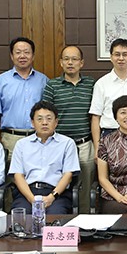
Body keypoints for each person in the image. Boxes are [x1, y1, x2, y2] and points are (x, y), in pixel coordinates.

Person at [42, 45, 95, 212]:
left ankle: (85, 219)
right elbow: (46, 114)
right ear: (61, 62)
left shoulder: (91, 84)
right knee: (60, 183)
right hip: (59, 145)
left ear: (81, 63)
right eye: (66, 59)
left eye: (74, 59)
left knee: (86, 185)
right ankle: (62, 217)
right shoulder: (52, 85)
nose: (70, 62)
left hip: (84, 143)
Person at [9, 101, 80, 214]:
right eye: (40, 119)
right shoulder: (21, 144)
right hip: (27, 193)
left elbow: (68, 176)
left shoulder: (67, 143)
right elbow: (18, 176)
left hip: (56, 194)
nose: (44, 123)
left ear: (56, 122)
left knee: (55, 217)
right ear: (32, 122)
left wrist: (51, 197)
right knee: (21, 218)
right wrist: (32, 199)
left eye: (49, 119)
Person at [0, 37, 48, 160]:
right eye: (18, 52)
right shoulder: (0, 81)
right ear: (12, 56)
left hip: (37, 138)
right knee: (10, 172)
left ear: (33, 56)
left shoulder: (44, 81)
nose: (22, 56)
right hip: (10, 139)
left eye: (26, 52)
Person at [89, 38, 127, 157]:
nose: (121, 58)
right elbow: (96, 117)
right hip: (109, 134)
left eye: (125, 54)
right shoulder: (101, 83)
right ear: (111, 57)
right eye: (117, 54)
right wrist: (97, 147)